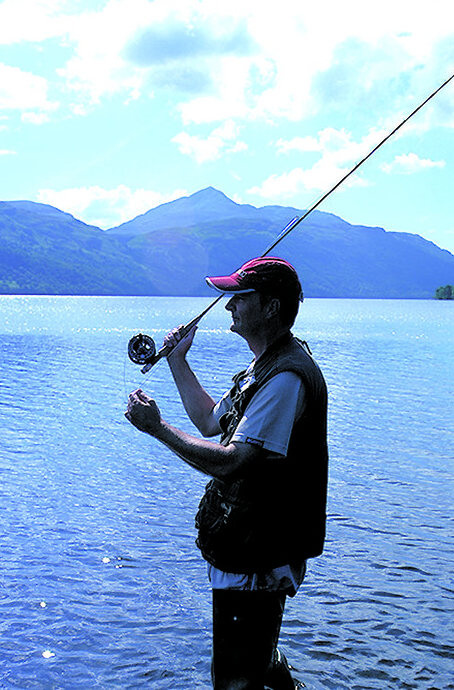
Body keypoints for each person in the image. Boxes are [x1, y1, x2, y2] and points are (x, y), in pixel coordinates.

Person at [125, 256, 328, 690]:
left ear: (271, 307)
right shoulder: (264, 367)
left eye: (239, 296)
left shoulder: (285, 379)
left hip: (260, 554)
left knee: (236, 680)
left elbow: (234, 460)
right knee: (256, 665)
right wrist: (178, 361)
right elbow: (209, 421)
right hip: (252, 549)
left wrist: (157, 428)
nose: (227, 305)